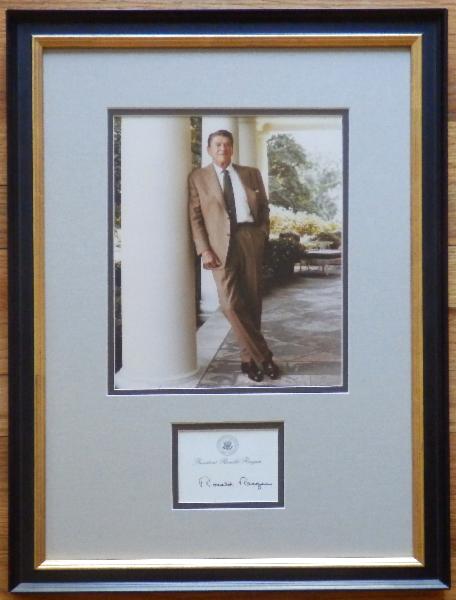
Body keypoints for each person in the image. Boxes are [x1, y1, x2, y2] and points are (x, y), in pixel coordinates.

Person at [188, 129, 280, 382]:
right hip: (218, 246)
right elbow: (195, 217)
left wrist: (261, 235)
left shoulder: (251, 173)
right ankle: (264, 356)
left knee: (252, 302)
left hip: (250, 238)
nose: (223, 149)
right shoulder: (198, 177)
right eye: (217, 144)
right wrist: (204, 249)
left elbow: (264, 208)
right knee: (229, 304)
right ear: (208, 149)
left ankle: (248, 361)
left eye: (227, 145)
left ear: (232, 149)